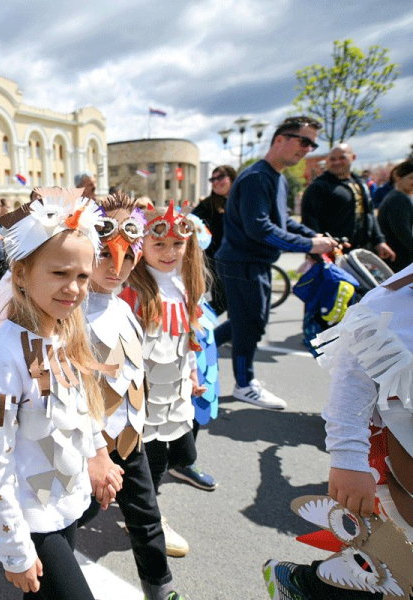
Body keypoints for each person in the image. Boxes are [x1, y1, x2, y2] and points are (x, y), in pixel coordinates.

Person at [0, 188, 123, 599]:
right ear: (21, 273)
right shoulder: (2, 356)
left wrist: (98, 454)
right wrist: (14, 548)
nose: (74, 288)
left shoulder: (63, 332)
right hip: (33, 520)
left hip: (67, 502)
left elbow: (80, 407)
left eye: (81, 275)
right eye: (59, 274)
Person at [262, 263, 413, 599]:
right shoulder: (392, 303)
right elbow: (353, 381)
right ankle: (306, 586)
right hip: (399, 462)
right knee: (392, 564)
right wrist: (348, 459)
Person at [80, 193, 186, 600]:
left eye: (127, 255)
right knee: (72, 517)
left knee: (146, 518)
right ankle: (45, 566)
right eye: (105, 254)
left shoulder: (123, 307)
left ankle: (161, 591)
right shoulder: (72, 314)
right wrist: (94, 452)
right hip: (90, 447)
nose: (116, 266)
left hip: (130, 438)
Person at [214, 116, 339, 409]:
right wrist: (309, 244)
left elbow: (282, 221)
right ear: (280, 139)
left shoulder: (276, 177)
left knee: (248, 323)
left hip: (253, 263)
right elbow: (260, 228)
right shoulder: (258, 177)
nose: (308, 149)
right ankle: (244, 384)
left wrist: (315, 236)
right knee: (249, 325)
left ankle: (193, 351)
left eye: (313, 144)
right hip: (242, 263)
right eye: (304, 141)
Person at [125, 201, 217, 556]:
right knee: (149, 460)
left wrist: (192, 374)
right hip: (143, 398)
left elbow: (188, 337)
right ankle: (149, 516)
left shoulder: (184, 285)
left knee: (176, 452)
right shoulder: (133, 290)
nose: (169, 252)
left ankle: (146, 501)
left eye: (177, 245)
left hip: (175, 392)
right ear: (142, 245)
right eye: (159, 244)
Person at [301, 143, 394, 261]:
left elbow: (369, 214)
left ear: (353, 157)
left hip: (361, 252)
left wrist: (379, 241)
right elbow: (309, 221)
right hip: (332, 253)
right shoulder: (319, 187)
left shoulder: (360, 184)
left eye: (342, 158)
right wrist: (317, 252)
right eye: (332, 159)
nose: (336, 162)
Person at [192, 165, 236, 315]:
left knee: (235, 305)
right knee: (221, 302)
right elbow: (190, 222)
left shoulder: (240, 201)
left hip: (238, 260)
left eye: (220, 177)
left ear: (232, 178)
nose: (216, 182)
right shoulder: (207, 205)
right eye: (213, 179)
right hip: (215, 260)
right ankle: (195, 327)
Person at [376, 159, 413, 272]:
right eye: (411, 178)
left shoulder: (400, 197)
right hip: (399, 262)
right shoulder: (397, 199)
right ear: (398, 177)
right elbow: (402, 232)